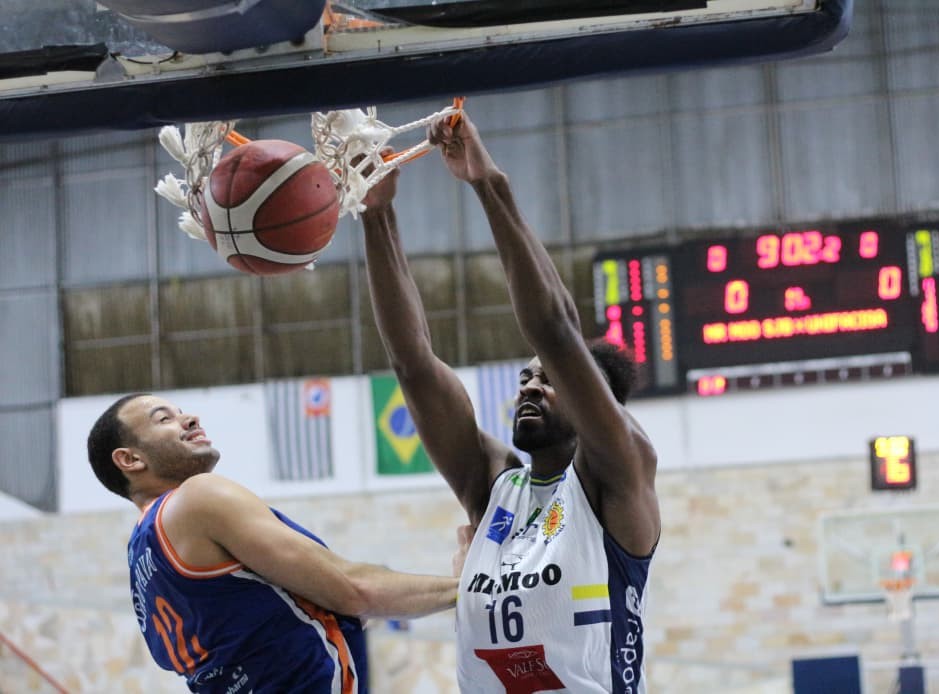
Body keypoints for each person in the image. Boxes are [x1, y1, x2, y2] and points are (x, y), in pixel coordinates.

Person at [360, 111, 660, 692]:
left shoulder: (621, 473)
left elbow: (555, 330)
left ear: (596, 400)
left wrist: (488, 185)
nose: (529, 385)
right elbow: (414, 363)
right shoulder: (495, 485)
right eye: (525, 377)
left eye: (548, 379)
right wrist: (376, 213)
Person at [87, 393, 459, 693]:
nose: (191, 418)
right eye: (163, 418)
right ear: (130, 459)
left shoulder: (142, 556)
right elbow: (353, 590)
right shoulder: (197, 497)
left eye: (181, 411)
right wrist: (475, 586)